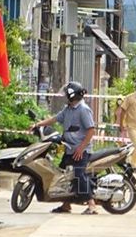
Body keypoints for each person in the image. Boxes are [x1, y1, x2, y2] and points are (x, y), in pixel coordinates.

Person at [30, 82, 98, 215]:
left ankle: (92, 205)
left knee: (79, 175)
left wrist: (81, 148)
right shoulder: (68, 109)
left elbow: (91, 131)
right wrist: (37, 124)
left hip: (81, 151)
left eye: (67, 95)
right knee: (62, 176)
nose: (65, 97)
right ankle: (66, 205)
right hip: (69, 149)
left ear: (72, 96)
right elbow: (54, 119)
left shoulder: (83, 109)